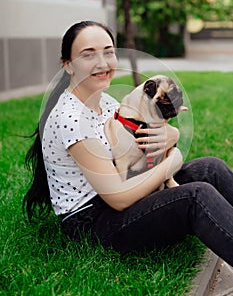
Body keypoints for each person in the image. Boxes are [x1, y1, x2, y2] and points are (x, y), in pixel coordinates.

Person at [23, 20, 233, 267]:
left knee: (210, 167)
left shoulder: (107, 102)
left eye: (108, 52)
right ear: (68, 65)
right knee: (197, 196)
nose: (102, 63)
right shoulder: (71, 119)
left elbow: (147, 134)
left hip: (125, 184)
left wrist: (172, 136)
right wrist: (172, 162)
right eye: (88, 55)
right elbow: (118, 198)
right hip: (95, 222)